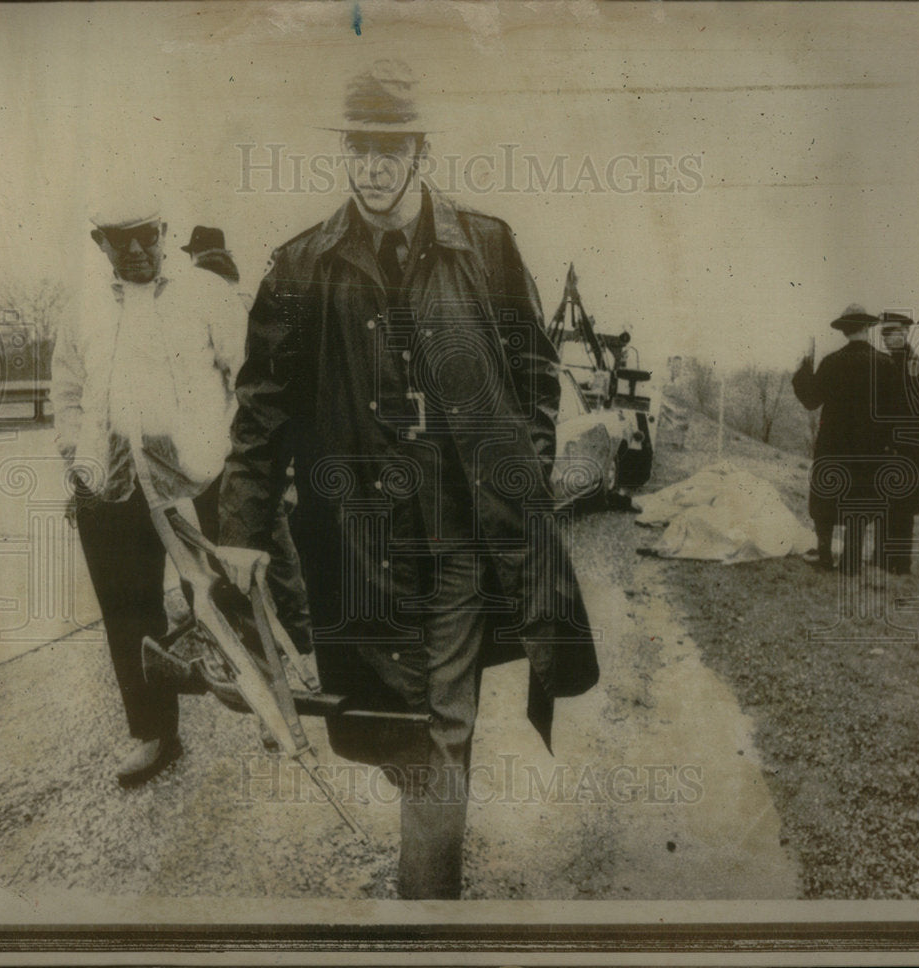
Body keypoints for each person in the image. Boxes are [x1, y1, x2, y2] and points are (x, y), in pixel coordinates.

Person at [218, 59, 599, 899]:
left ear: (421, 151)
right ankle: (426, 834)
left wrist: (520, 477)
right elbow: (262, 408)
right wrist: (243, 531)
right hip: (355, 539)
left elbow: (536, 375)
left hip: (461, 528)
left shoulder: (486, 247)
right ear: (344, 153)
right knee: (380, 716)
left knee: (442, 724)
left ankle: (427, 910)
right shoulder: (301, 267)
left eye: (392, 148)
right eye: (360, 147)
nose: (375, 167)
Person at [51, 197, 247, 785]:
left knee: (225, 600)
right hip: (110, 484)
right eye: (119, 237)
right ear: (100, 243)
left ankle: (266, 705)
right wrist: (77, 456)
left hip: (197, 479)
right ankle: (154, 733)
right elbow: (65, 391)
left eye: (145, 234)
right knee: (127, 614)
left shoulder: (208, 296)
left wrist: (233, 460)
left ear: (164, 231)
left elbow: (250, 378)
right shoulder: (81, 308)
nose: (135, 249)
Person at [792, 304, 895, 573]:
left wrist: (803, 370)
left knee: (826, 497)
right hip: (870, 447)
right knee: (860, 497)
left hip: (833, 444)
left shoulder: (831, 362)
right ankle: (851, 560)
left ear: (844, 330)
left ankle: (824, 556)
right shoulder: (885, 364)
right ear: (867, 328)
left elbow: (811, 400)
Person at [877, 313, 919, 574]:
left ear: (905, 332)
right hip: (888, 445)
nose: (886, 338)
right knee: (885, 502)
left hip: (905, 446)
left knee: (902, 506)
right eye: (884, 334)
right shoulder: (886, 362)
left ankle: (899, 563)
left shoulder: (913, 364)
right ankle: (882, 558)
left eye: (892, 333)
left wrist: (893, 441)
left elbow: (909, 410)